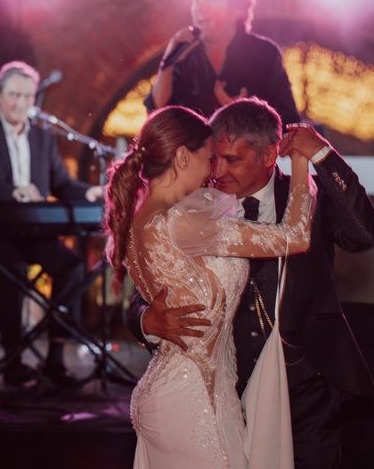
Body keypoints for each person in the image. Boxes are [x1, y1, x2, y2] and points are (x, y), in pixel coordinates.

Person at [128, 97, 374, 468]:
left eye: (232, 159)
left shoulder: (306, 196)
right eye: (213, 158)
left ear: (267, 156)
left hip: (303, 385)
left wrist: (323, 157)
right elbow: (148, 285)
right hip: (223, 389)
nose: (218, 171)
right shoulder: (194, 206)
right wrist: (145, 321)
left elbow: (365, 235)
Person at [104, 105, 316, 468]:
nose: (214, 169)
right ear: (183, 158)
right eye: (209, 158)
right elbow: (295, 237)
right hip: (190, 403)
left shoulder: (148, 218)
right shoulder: (181, 222)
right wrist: (300, 161)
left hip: (191, 393)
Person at [0, 61, 103, 387]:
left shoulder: (42, 138)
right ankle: (13, 363)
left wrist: (90, 192)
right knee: (13, 269)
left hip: (34, 232)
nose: (21, 104)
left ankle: (55, 359)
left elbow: (61, 184)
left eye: (27, 97)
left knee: (71, 268)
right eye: (14, 95)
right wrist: (13, 191)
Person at [146, 0, 300, 127]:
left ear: (237, 9)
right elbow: (156, 112)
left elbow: (289, 119)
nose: (199, 6)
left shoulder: (264, 53)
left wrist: (244, 112)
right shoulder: (185, 55)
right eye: (196, 0)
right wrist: (168, 61)